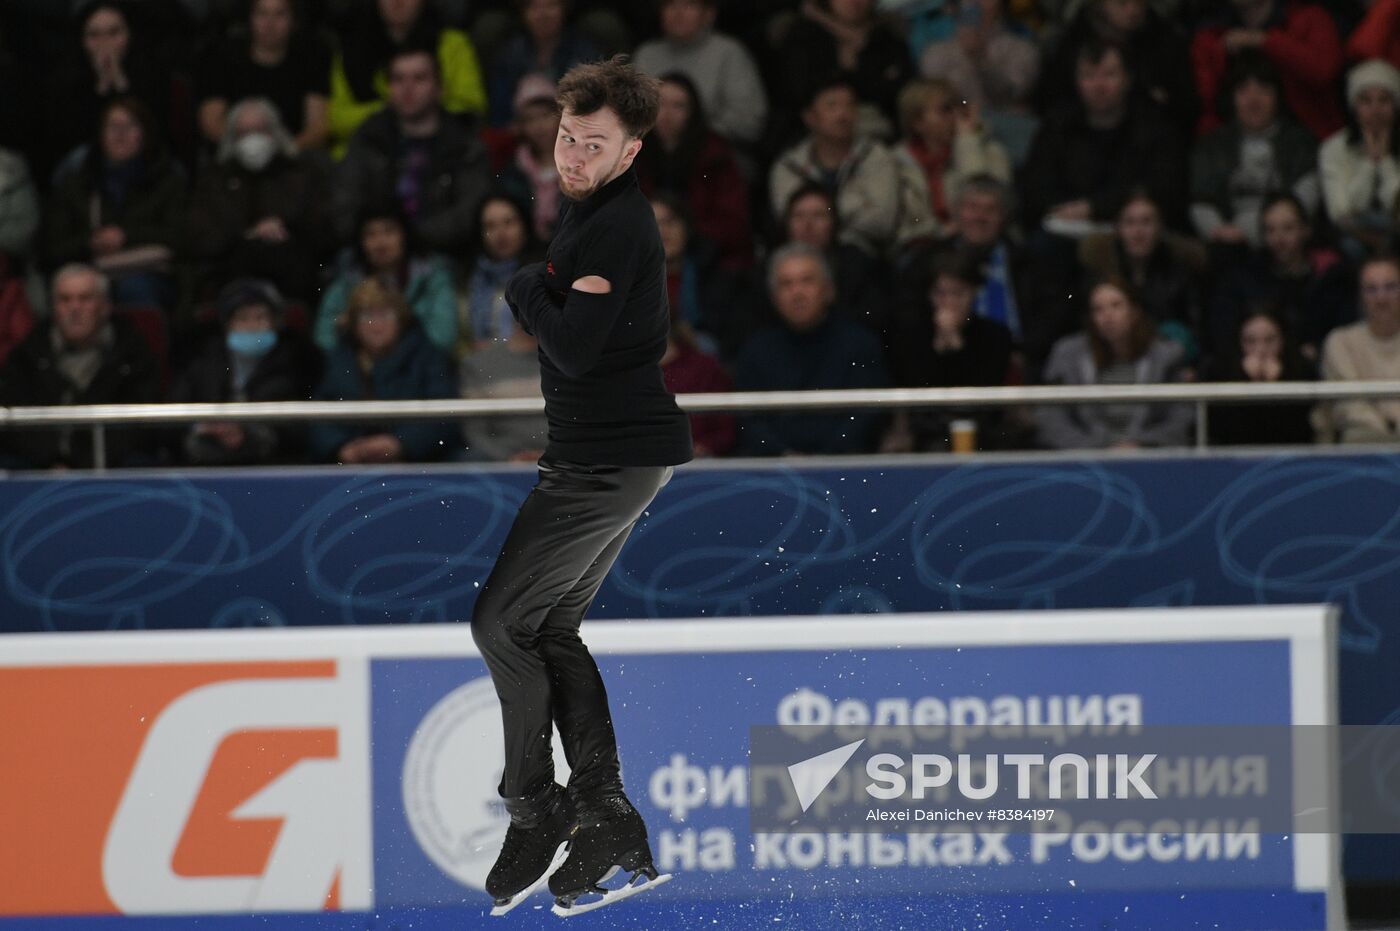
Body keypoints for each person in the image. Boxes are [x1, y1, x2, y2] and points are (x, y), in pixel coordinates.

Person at [471, 57, 691, 916]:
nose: (572, 155)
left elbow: (570, 346)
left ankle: (539, 806)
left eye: (593, 145)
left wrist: (528, 284)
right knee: (549, 625)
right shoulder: (590, 210)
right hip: (609, 458)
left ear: (630, 152)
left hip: (606, 461)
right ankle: (605, 817)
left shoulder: (613, 227)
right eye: (567, 137)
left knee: (498, 622)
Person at [733, 242, 889, 455]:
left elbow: (866, 416)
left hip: (847, 468)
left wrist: (824, 459)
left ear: (829, 290)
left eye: (807, 281)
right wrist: (784, 455)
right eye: (786, 284)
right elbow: (748, 421)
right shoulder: (755, 351)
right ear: (773, 297)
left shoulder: (860, 345)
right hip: (774, 470)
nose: (797, 293)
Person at [334, 46, 491, 258]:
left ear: (439, 88)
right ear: (388, 88)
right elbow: (344, 207)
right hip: (373, 259)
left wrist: (410, 239)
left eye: (419, 78)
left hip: (449, 258)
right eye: (398, 79)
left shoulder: (466, 144)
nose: (407, 88)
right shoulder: (367, 138)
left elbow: (470, 214)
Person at [1019, 38, 1187, 234]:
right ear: (1076, 81)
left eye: (1109, 75)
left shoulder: (1156, 127)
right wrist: (1067, 210)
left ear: (1128, 79)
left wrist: (1095, 208)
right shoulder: (1057, 125)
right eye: (1089, 76)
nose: (1099, 85)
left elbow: (1165, 190)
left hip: (1138, 233)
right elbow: (1035, 186)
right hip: (1065, 230)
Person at [0, 264, 160, 469]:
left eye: (85, 299)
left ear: (105, 306)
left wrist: (83, 465)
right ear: (53, 307)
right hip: (39, 474)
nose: (74, 308)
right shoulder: (27, 356)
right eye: (65, 299)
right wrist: (51, 461)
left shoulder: (134, 356)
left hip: (113, 472)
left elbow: (141, 429)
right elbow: (13, 425)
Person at [769, 78, 933, 262]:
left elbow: (882, 221)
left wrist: (823, 217)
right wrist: (857, 206)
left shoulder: (876, 156)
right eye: (832, 106)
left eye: (849, 105)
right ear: (810, 116)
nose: (843, 114)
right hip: (804, 258)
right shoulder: (789, 166)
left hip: (867, 257)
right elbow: (790, 224)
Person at [186, 97, 332, 302]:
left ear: (276, 133)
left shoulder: (303, 173)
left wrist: (285, 227)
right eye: (244, 133)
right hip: (231, 267)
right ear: (231, 138)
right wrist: (247, 233)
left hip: (296, 263)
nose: (253, 139)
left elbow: (325, 227)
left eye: (260, 130)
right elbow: (201, 236)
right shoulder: (215, 179)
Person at [44, 97, 185, 308]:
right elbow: (51, 248)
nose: (121, 134)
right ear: (100, 134)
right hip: (89, 273)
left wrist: (125, 236)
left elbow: (182, 236)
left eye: (130, 126)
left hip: (149, 273)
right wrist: (91, 242)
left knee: (136, 288)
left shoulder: (168, 180)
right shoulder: (77, 183)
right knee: (76, 295)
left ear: (145, 133)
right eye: (113, 126)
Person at [170, 278, 321, 465]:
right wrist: (202, 428)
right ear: (227, 325)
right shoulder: (201, 362)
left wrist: (249, 432)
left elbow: (301, 430)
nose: (252, 326)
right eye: (243, 318)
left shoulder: (298, 364)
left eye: (260, 318)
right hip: (203, 462)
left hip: (271, 463)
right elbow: (173, 420)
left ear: (275, 323)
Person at [309, 277, 459, 463]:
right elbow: (318, 416)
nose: (376, 325)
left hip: (417, 465)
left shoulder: (427, 357)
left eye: (385, 315)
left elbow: (445, 417)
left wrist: (400, 443)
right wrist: (340, 447)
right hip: (348, 465)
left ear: (401, 319)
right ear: (354, 323)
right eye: (367, 316)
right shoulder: (339, 359)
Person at [1035, 276, 1193, 449]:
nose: (1107, 316)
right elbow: (1051, 417)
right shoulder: (1067, 355)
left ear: (1134, 311)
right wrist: (1093, 449)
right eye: (1098, 309)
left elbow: (1181, 416)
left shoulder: (1166, 356)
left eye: (1116, 306)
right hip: (1086, 460)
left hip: (1149, 458)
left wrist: (1141, 444)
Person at [885, 253, 1014, 452]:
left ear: (974, 293)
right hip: (924, 434)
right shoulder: (912, 336)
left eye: (958, 293)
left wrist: (955, 345)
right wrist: (938, 348)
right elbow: (915, 389)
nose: (949, 302)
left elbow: (983, 392)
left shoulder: (996, 336)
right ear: (930, 295)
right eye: (941, 294)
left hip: (982, 433)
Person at [1189, 51, 1318, 248]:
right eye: (1243, 90)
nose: (1253, 99)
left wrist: (1269, 232)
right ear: (1231, 98)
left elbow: (1304, 200)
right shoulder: (1211, 145)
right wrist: (1220, 233)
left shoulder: (1300, 142)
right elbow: (1202, 201)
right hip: (1229, 247)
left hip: (1288, 244)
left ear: (1277, 96)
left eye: (1263, 89)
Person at [1206, 192, 1353, 361]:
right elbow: (1225, 335)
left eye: (1288, 228)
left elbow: (1344, 332)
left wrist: (1318, 349)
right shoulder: (1244, 279)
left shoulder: (1330, 278)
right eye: (1270, 230)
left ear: (1306, 230)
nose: (1279, 238)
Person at [328, 0, 486, 156]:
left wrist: (420, 110)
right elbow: (336, 120)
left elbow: (470, 108)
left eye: (419, 78)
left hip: (437, 155)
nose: (397, 2)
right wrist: (394, 109)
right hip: (364, 157)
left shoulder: (453, 44)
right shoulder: (351, 50)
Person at [634, 73, 752, 269]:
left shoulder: (715, 155)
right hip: (643, 252)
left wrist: (686, 237)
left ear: (693, 112)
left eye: (678, 106)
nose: (667, 114)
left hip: (709, 257)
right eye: (660, 104)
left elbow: (733, 223)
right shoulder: (632, 156)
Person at [1076, 190, 1206, 362]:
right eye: (1129, 223)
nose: (1138, 232)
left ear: (1160, 227)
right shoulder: (1099, 274)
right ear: (1118, 228)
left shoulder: (1181, 273)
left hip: (1165, 361)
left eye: (1146, 222)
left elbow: (1195, 331)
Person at [1190, 0, 1344, 140]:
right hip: (1235, 148)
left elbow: (1324, 70)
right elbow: (1207, 103)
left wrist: (1263, 40)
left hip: (1312, 141)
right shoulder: (1210, 34)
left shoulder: (1308, 17)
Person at [315, 206, 457, 355]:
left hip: (416, 366)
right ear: (361, 242)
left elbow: (443, 338)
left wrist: (396, 325)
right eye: (371, 234)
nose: (380, 243)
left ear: (404, 236)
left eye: (389, 232)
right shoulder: (347, 281)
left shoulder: (432, 277)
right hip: (361, 367)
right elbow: (323, 338)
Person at [196, 0, 332, 151]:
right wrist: (247, 150)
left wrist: (283, 150)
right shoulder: (221, 58)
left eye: (280, 14)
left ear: (294, 21)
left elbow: (318, 128)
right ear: (250, 18)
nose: (269, 24)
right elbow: (211, 123)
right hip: (234, 156)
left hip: (294, 157)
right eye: (262, 13)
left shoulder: (313, 59)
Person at [632, 0, 768, 146]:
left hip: (717, 154)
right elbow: (629, 114)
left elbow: (750, 121)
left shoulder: (729, 53)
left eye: (689, 5)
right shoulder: (646, 54)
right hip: (651, 153)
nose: (679, 13)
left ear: (709, 14)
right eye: (670, 5)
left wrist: (694, 134)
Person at [894, 77, 1011, 230]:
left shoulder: (991, 151)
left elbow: (983, 206)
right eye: (945, 110)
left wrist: (968, 142)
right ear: (917, 122)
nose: (956, 116)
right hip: (922, 244)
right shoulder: (896, 162)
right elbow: (908, 221)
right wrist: (940, 231)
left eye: (957, 107)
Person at [1319, 59, 1400, 258]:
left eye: (1384, 100)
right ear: (1354, 106)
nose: (1375, 110)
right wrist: (1370, 165)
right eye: (1366, 101)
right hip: (1354, 234)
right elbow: (1341, 213)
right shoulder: (1334, 148)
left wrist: (1385, 162)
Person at [1202, 305, 1316, 445]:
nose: (1261, 349)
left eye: (1270, 340)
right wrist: (1243, 380)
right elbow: (1221, 430)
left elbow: (1301, 430)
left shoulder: (1301, 370)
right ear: (1239, 340)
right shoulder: (1220, 371)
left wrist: (1280, 383)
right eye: (1250, 341)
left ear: (1283, 339)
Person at [1319, 255, 1400, 443]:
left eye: (1390, 287)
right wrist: (1391, 429)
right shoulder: (1340, 342)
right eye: (1371, 289)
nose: (1381, 298)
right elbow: (1350, 406)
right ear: (1361, 296)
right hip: (1360, 447)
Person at [486, 0, 598, 127]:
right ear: (524, 13)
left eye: (551, 6)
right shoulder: (511, 53)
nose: (543, 14)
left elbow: (589, 104)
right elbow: (500, 110)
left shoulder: (582, 53)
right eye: (535, 7)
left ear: (564, 10)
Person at [460, 193, 539, 348]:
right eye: (490, 226)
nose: (501, 234)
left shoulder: (545, 273)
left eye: (509, 223)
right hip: (485, 365)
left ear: (524, 225)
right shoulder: (471, 280)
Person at [495, 73, 564, 241]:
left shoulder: (580, 165)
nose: (540, 127)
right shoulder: (514, 171)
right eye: (530, 119)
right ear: (520, 127)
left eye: (545, 116)